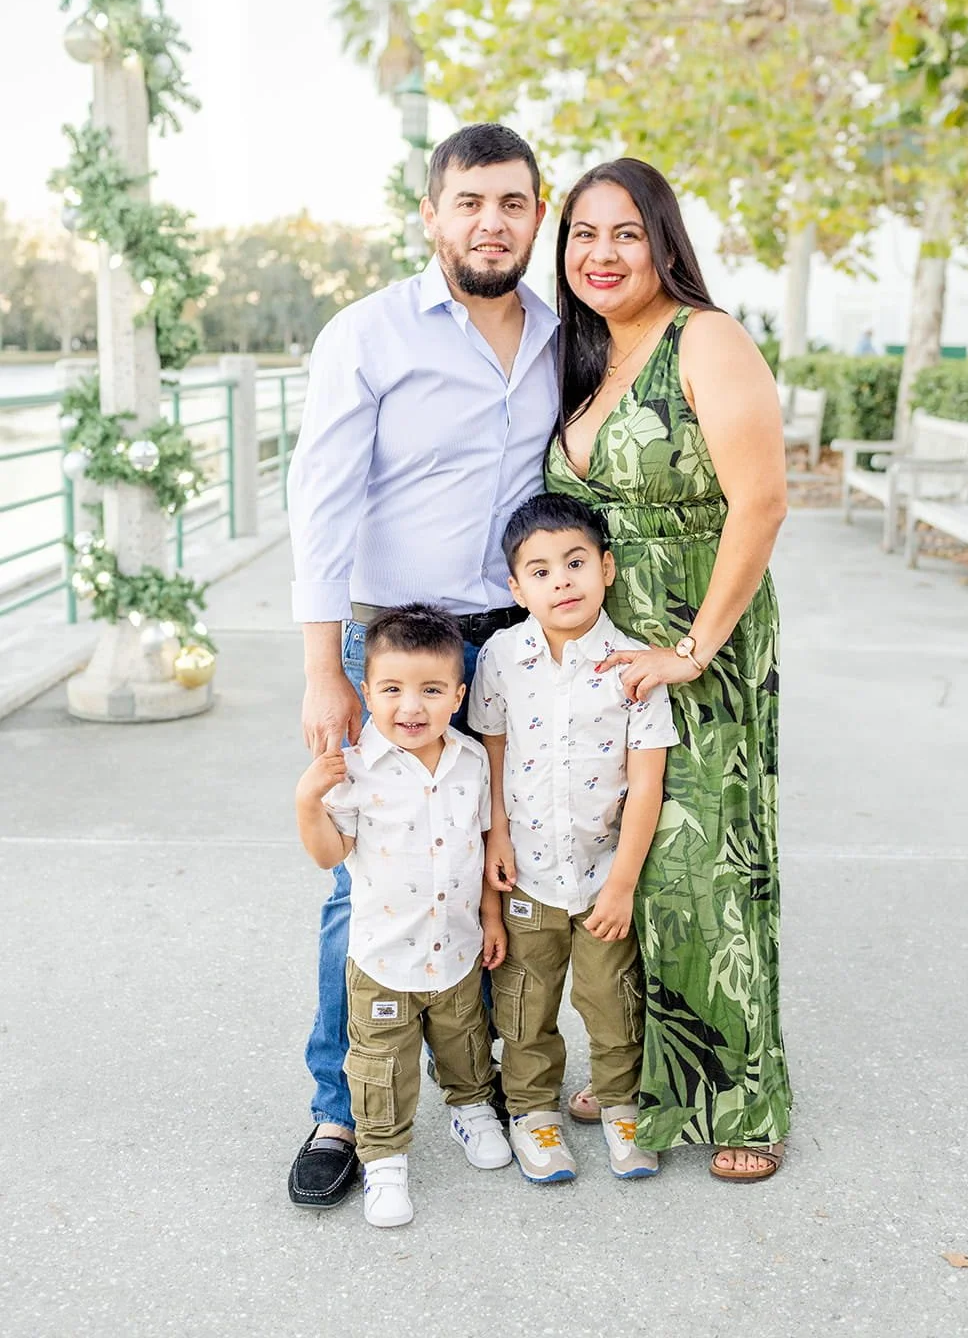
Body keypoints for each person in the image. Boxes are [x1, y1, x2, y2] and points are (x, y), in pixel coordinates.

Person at [285, 123, 557, 1209]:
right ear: (430, 215)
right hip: (389, 640)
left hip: (509, 638)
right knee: (371, 880)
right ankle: (340, 1105)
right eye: (469, 202)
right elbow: (322, 504)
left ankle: (470, 1080)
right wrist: (323, 670)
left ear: (535, 214)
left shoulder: (556, 332)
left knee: (491, 855)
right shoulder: (367, 332)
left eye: (511, 202)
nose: (490, 222)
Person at [544, 157, 792, 1182]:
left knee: (704, 862)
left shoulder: (707, 337)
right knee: (620, 857)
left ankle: (742, 1094)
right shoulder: (589, 353)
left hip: (698, 640)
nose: (600, 255)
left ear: (662, 243)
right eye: (582, 236)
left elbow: (761, 501)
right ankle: (636, 1063)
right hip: (606, 658)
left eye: (624, 234)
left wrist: (692, 651)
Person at [469, 492, 678, 1183]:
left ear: (607, 569)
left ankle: (620, 1106)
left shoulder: (632, 665)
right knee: (523, 1004)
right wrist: (494, 840)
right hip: (526, 873)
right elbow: (491, 753)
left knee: (612, 1003)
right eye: (540, 570)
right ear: (515, 587)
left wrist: (621, 884)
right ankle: (533, 1114)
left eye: (575, 562)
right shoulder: (501, 655)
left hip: (599, 881)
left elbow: (646, 782)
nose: (561, 580)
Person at [295, 606, 512, 1228]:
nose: (410, 707)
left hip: (458, 950)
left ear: (459, 694)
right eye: (391, 689)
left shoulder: (471, 762)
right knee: (381, 1063)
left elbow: (479, 845)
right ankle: (384, 1159)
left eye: (431, 690)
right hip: (384, 957)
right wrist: (306, 801)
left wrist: (492, 918)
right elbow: (328, 854)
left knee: (465, 1040)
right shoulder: (355, 769)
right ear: (367, 691)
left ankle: (471, 1111)